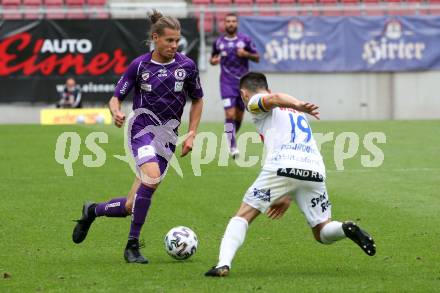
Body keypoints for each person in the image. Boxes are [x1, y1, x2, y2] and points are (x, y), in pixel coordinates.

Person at [205, 72, 376, 277]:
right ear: (267, 86)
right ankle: (345, 228)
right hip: (314, 169)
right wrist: (285, 194)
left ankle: (223, 264)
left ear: (243, 93)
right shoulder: (293, 113)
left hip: (282, 167)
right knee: (322, 231)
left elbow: (275, 98)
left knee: (243, 216)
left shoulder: (255, 101)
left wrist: (299, 103)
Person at [72, 10, 204, 264]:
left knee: (132, 205)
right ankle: (132, 245)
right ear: (156, 38)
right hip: (141, 131)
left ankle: (92, 210)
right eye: (169, 40)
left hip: (167, 139)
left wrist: (193, 132)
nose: (174, 45)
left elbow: (197, 99)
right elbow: (115, 97)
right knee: (152, 178)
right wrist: (115, 111)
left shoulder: (186, 67)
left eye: (177, 40)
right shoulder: (140, 65)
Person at [210, 13, 260, 159]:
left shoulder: (245, 40)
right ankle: (233, 146)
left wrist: (245, 54)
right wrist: (213, 60)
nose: (231, 24)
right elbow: (213, 58)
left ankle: (229, 136)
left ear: (237, 24)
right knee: (230, 114)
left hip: (244, 84)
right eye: (228, 21)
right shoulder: (218, 42)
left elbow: (257, 57)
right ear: (224, 24)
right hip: (226, 83)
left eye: (233, 21)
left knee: (239, 115)